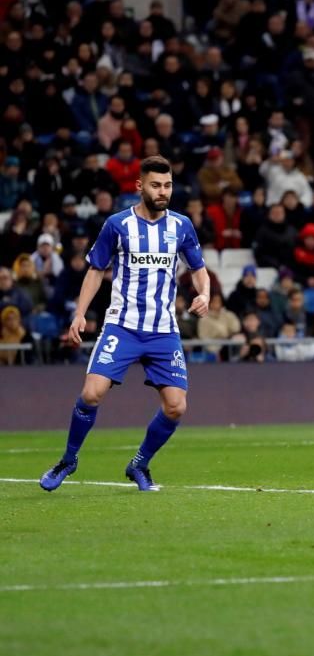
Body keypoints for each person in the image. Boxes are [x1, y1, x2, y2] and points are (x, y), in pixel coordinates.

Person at [39, 156, 210, 493]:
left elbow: (198, 267)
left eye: (168, 185)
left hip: (163, 330)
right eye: (156, 185)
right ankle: (68, 460)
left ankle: (139, 464)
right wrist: (79, 313)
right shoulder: (117, 225)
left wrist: (204, 293)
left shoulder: (181, 226)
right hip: (122, 326)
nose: (163, 192)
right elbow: (95, 270)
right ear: (139, 186)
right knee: (91, 394)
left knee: (176, 407)